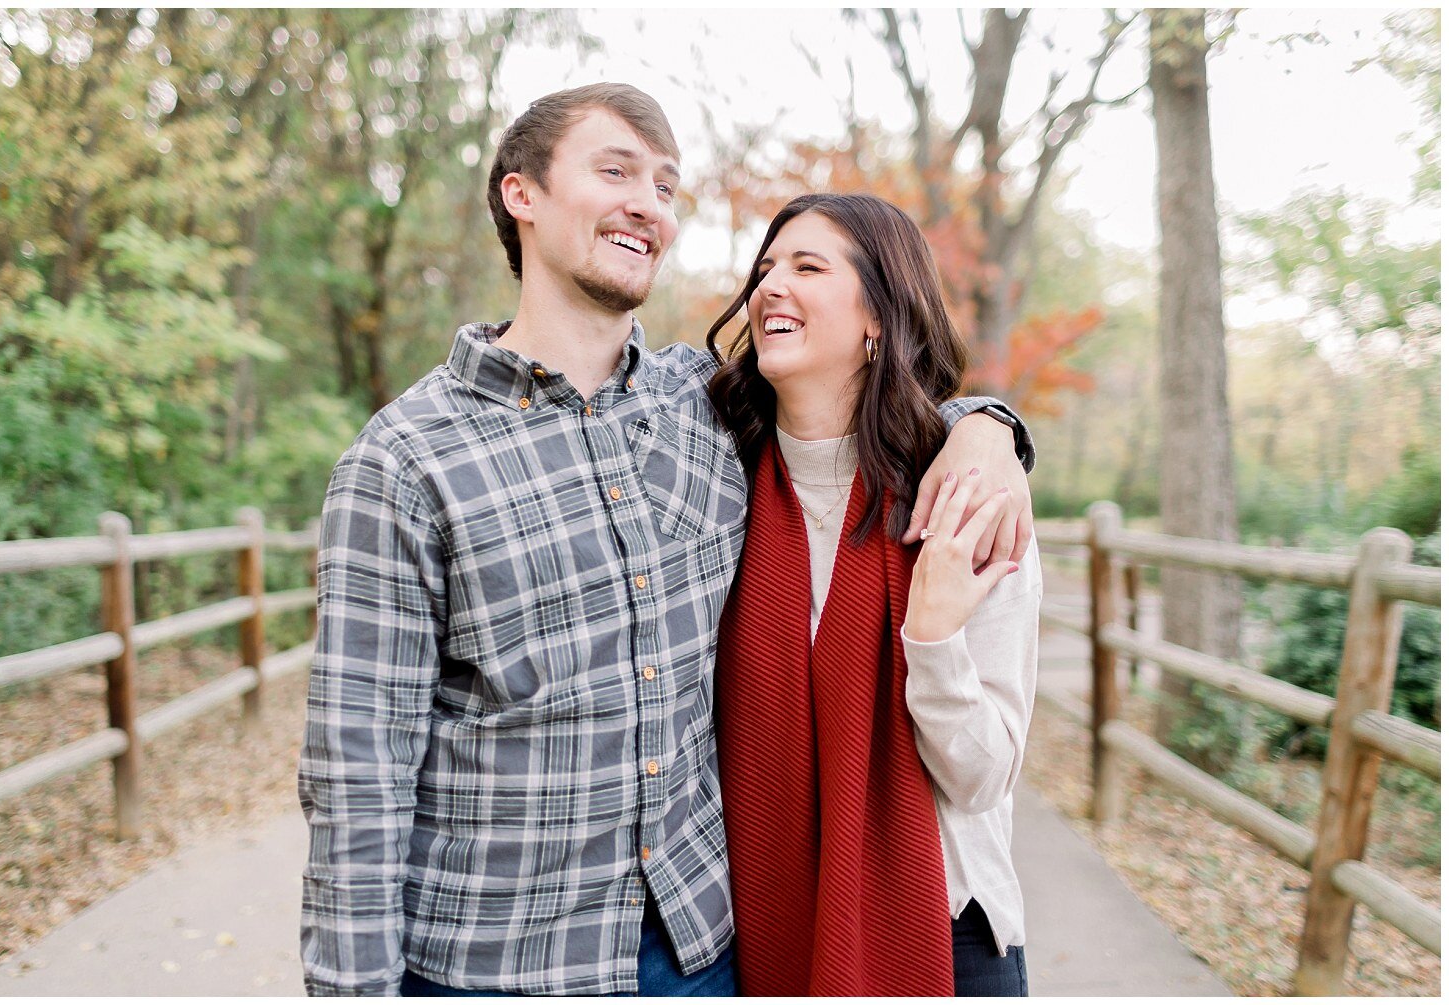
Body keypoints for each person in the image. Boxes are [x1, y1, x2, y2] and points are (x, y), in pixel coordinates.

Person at [298, 84, 1036, 997]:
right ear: (519, 194)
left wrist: (985, 427)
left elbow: (864, 419)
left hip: (704, 950)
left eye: (666, 185)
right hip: (499, 964)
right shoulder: (405, 462)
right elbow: (356, 783)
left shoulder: (697, 412)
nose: (649, 202)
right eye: (615, 171)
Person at [710, 193, 1041, 996]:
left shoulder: (962, 499)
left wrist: (930, 641)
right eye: (765, 268)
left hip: (944, 926)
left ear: (878, 320)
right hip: (763, 923)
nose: (769, 287)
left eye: (808, 266)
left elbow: (982, 775)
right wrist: (991, 418)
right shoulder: (712, 485)